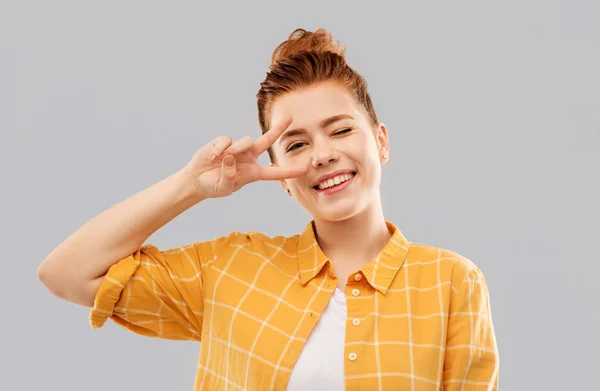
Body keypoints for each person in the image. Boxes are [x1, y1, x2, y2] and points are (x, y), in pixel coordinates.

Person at [37, 28, 499, 391]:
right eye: (296, 144)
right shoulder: (232, 269)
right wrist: (190, 186)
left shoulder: (452, 282)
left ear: (380, 140)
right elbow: (66, 273)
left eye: (339, 131)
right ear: (277, 173)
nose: (321, 156)